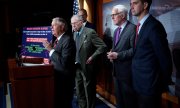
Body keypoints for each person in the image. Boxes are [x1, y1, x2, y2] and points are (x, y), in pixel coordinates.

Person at [130, 0, 173, 108]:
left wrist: (160, 84)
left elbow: (165, 58)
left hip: (150, 86)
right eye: (130, 3)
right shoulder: (139, 26)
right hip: (138, 83)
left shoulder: (154, 26)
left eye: (135, 3)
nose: (131, 6)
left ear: (145, 5)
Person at [71, 15, 106, 108]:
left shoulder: (90, 32)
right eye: (71, 24)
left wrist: (92, 57)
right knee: (79, 90)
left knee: (88, 91)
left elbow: (102, 46)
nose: (73, 26)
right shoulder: (74, 33)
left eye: (74, 23)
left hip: (87, 67)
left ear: (81, 22)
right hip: (77, 66)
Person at [107, 4, 137, 108]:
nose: (112, 17)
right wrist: (112, 54)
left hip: (127, 74)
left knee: (129, 103)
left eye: (114, 15)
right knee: (119, 102)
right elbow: (116, 48)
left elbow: (135, 50)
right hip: (116, 72)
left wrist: (118, 55)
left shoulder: (133, 29)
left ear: (123, 15)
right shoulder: (116, 31)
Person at [42, 17, 76, 108]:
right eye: (51, 26)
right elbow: (55, 57)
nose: (51, 28)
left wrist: (51, 50)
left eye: (53, 25)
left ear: (62, 26)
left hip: (64, 81)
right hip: (56, 77)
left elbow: (64, 62)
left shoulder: (67, 40)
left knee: (64, 104)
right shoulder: (57, 40)